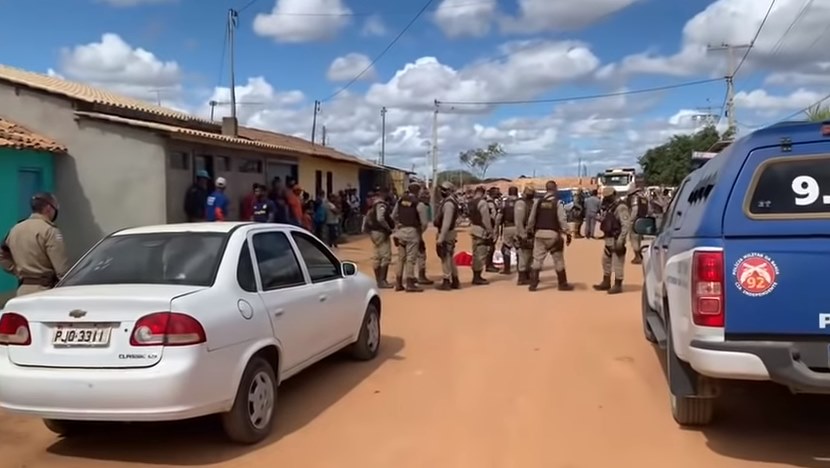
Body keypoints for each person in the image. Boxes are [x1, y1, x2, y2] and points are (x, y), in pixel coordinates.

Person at [0, 193, 69, 296]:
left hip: (22, 290)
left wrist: (16, 270)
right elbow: (62, 270)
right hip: (45, 290)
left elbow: (2, 254)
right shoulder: (49, 231)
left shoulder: (15, 229)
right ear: (48, 208)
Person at [526, 180, 573, 291]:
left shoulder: (538, 202)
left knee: (537, 260)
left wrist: (529, 231)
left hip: (539, 234)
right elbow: (562, 220)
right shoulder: (557, 203)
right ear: (555, 189)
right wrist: (567, 232)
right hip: (553, 235)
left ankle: (533, 284)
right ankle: (562, 284)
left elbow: (531, 219)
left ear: (546, 189)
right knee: (558, 260)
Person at [593, 187, 631, 295]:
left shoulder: (621, 207)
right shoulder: (610, 207)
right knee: (605, 261)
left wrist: (621, 240)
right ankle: (606, 282)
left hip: (616, 238)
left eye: (608, 196)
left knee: (618, 263)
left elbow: (626, 225)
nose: (606, 199)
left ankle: (618, 284)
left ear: (614, 194)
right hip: (609, 239)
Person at [392, 182, 428, 292]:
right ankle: (410, 283)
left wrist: (398, 226)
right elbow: (424, 223)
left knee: (400, 258)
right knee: (411, 259)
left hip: (400, 232)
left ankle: (398, 283)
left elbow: (393, 216)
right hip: (412, 232)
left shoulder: (400, 201)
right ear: (418, 191)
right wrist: (419, 232)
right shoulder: (419, 204)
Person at [364, 188, 394, 289]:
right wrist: (388, 228)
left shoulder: (373, 204)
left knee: (377, 256)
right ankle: (382, 281)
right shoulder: (381, 205)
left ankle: (378, 281)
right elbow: (380, 218)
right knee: (385, 256)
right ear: (384, 193)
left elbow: (366, 218)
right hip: (381, 232)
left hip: (374, 233)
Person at [433, 181, 460, 291]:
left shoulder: (449, 204)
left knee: (445, 257)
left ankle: (446, 280)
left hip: (446, 233)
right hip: (448, 232)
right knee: (449, 257)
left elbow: (446, 223)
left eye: (444, 189)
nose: (441, 191)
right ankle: (455, 279)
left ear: (449, 191)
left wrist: (441, 238)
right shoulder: (448, 201)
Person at [467, 186, 495, 285]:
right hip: (481, 230)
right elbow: (485, 219)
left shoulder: (470, 202)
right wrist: (490, 231)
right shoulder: (482, 203)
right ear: (483, 193)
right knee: (481, 253)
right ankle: (477, 276)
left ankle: (476, 275)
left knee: (475, 253)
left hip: (473, 228)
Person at [514, 185, 535, 286]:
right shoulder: (521, 203)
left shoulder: (531, 202)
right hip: (523, 233)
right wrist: (522, 235)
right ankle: (522, 277)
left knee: (529, 256)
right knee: (523, 256)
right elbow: (518, 221)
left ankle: (527, 275)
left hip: (531, 233)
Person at [414, 189, 434, 285]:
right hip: (416, 233)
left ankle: (407, 277)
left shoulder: (406, 202)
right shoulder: (422, 206)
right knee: (421, 254)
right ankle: (421, 277)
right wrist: (420, 232)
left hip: (403, 231)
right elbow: (424, 223)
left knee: (406, 256)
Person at [499, 186, 519, 275]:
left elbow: (499, 217)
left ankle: (507, 269)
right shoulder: (521, 202)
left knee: (506, 248)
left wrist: (497, 226)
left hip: (508, 227)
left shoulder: (504, 203)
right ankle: (520, 268)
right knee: (519, 248)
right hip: (519, 228)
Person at [626, 186, 648, 264]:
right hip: (642, 220)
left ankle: (637, 257)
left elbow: (635, 210)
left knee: (634, 239)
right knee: (638, 239)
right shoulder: (643, 198)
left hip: (635, 220)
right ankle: (639, 255)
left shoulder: (635, 198)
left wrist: (631, 220)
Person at [484, 187, 501, 273]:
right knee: (490, 246)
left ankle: (488, 264)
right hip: (491, 226)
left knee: (490, 246)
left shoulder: (488, 202)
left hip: (489, 226)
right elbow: (494, 216)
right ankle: (488, 265)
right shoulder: (490, 203)